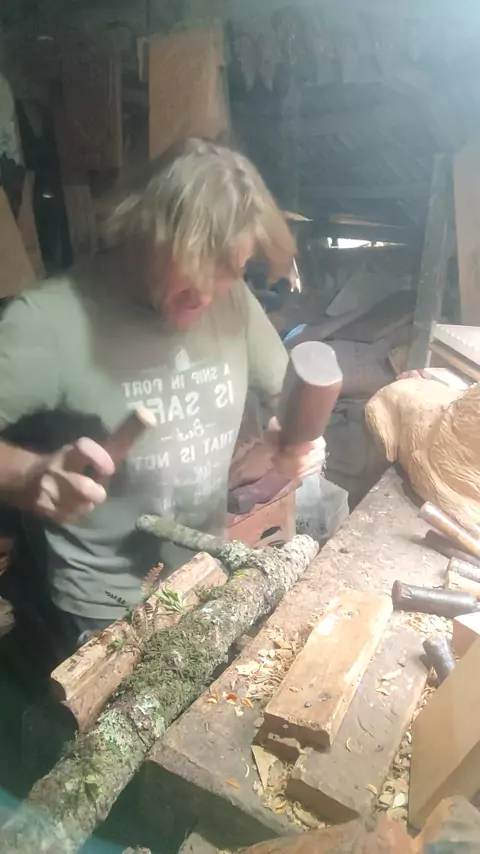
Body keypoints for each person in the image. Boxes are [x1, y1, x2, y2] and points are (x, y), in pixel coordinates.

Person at [0, 138, 325, 656]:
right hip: (102, 610)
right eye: (189, 275)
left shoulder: (233, 301)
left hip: (203, 574)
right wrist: (27, 476)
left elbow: (285, 398)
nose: (205, 297)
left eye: (229, 272)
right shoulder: (46, 322)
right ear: (142, 233)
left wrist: (293, 442)